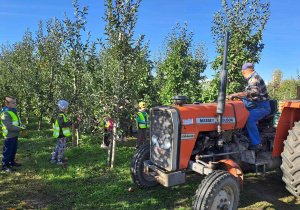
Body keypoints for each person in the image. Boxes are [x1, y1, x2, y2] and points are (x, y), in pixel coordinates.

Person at [228, 63, 271, 151]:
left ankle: (257, 143)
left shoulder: (254, 78)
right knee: (238, 114)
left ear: (243, 72)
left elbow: (254, 92)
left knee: (248, 117)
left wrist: (236, 94)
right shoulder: (251, 79)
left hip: (261, 107)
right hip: (253, 105)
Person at [1, 96, 26, 172]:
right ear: (6, 104)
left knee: (13, 150)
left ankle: (11, 162)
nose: (15, 104)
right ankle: (5, 166)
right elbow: (9, 127)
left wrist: (21, 126)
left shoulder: (13, 111)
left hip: (14, 135)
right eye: (13, 103)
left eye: (15, 102)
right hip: (9, 135)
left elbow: (16, 123)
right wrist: (20, 129)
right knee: (8, 151)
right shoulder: (6, 114)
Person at [50, 100, 72, 164]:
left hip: (59, 134)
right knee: (62, 147)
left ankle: (53, 158)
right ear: (64, 107)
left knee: (58, 146)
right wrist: (70, 124)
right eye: (67, 106)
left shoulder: (59, 114)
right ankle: (59, 160)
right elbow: (61, 124)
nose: (68, 107)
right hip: (61, 134)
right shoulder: (61, 115)